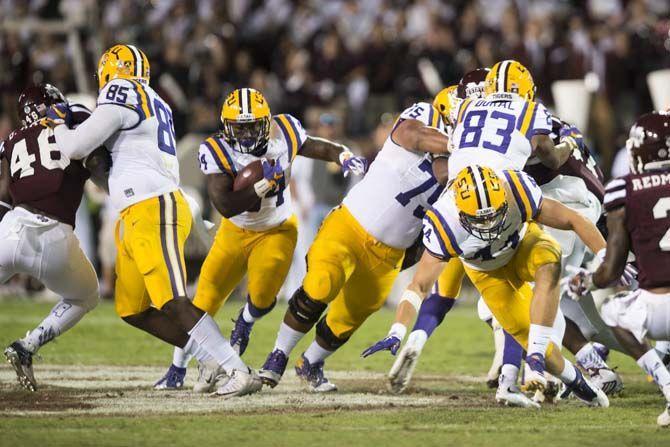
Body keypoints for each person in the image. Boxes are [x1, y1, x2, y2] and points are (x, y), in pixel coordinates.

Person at [48, 44, 260, 398]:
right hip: (135, 209)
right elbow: (106, 166)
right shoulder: (152, 99)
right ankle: (206, 357)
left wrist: (60, 126)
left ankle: (236, 368)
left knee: (172, 300)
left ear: (110, 73)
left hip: (153, 207)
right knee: (131, 308)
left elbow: (75, 147)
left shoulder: (122, 90)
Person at [155, 88, 367, 390]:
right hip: (234, 230)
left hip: (276, 229)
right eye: (239, 126)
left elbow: (315, 146)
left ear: (266, 122)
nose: (246, 132)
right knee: (203, 301)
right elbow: (225, 205)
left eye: (253, 124)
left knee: (264, 299)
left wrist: (341, 154)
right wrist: (261, 186)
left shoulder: (286, 131)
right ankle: (177, 368)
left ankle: (245, 320)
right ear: (227, 126)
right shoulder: (216, 149)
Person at [364, 165, 615, 408]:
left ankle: (534, 357)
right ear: (460, 211)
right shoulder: (444, 224)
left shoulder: (516, 188)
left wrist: (607, 258)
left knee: (550, 260)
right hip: (487, 273)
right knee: (545, 351)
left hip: (524, 247)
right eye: (479, 220)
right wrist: (397, 330)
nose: (488, 226)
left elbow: (573, 219)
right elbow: (419, 286)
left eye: (494, 214)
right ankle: (580, 384)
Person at [258, 91, 451, 392]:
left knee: (351, 315)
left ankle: (310, 362)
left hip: (390, 254)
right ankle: (278, 354)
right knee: (322, 283)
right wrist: (456, 144)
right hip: (350, 225)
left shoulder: (463, 164)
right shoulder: (422, 118)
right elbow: (409, 133)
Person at [569, 111, 670, 426]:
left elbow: (611, 270)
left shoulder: (624, 188)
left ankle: (666, 384)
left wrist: (589, 280)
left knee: (612, 311)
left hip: (655, 306)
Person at [1, 84, 101, 391]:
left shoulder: (11, 140)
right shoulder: (72, 121)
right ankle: (27, 345)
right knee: (87, 296)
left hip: (11, 229)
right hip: (54, 238)